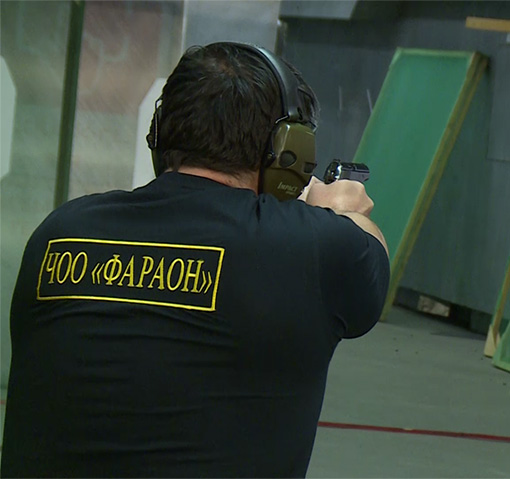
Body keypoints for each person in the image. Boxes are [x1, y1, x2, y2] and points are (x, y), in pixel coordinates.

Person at [1, 42, 389, 478]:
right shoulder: (316, 248)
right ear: (289, 151)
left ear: (160, 132)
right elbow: (369, 253)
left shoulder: (60, 232)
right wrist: (337, 208)